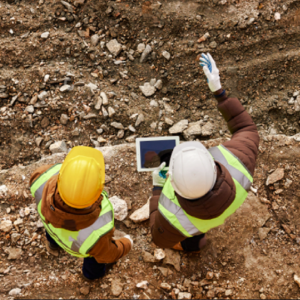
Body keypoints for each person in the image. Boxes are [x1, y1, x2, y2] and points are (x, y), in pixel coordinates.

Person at [149, 53, 260, 252]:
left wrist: (157, 189)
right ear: (213, 163)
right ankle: (196, 243)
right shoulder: (239, 164)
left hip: (190, 224)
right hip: (221, 207)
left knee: (191, 232)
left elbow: (159, 239)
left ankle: (194, 245)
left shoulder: (171, 215)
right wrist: (219, 92)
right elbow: (246, 129)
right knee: (196, 226)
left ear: (171, 182)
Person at [29, 146, 133, 280]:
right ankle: (91, 276)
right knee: (94, 258)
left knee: (51, 223)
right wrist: (127, 243)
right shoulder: (97, 233)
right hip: (83, 246)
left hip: (50, 222)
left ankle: (53, 244)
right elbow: (108, 254)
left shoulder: (42, 175)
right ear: (97, 192)